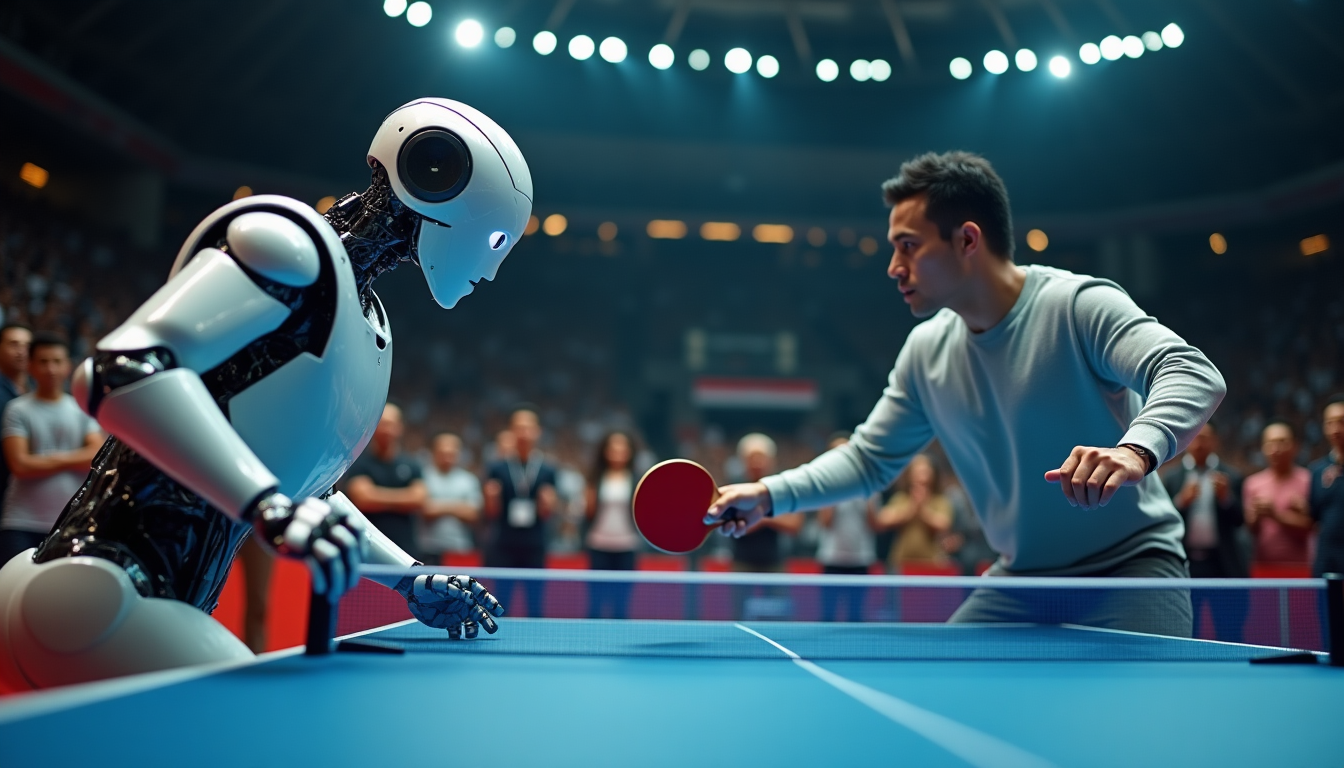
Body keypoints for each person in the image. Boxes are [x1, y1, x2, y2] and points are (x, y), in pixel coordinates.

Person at [706, 151, 1225, 637]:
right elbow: (868, 461)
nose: (893, 266)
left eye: (908, 245)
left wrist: (1135, 450)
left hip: (1130, 571)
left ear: (967, 240)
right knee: (935, 689)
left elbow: (1191, 371)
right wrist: (769, 495)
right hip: (1019, 582)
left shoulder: (1076, 306)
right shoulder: (925, 351)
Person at [0, 333, 103, 565]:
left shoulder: (81, 409)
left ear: (68, 366)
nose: (50, 369)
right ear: (30, 366)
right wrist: (73, 459)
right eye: (43, 362)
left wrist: (47, 460)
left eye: (57, 361)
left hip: (70, 522)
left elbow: (95, 457)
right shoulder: (17, 409)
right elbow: (20, 465)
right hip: (21, 521)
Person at [1160, 423, 1248, 641]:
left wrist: (1226, 499)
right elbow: (1162, 521)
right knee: (1187, 631)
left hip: (1222, 565)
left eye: (1205, 437)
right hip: (1186, 564)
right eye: (1196, 437)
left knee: (1229, 631)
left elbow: (1240, 521)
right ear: (1187, 439)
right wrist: (1181, 502)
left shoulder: (1232, 476)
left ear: (1215, 441)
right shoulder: (1172, 477)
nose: (1200, 442)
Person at [484, 407, 558, 616]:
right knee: (500, 603)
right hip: (504, 544)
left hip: (535, 544)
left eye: (528, 428)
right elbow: (491, 513)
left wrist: (548, 504)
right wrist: (490, 498)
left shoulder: (548, 469)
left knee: (535, 603)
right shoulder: (497, 467)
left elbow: (548, 514)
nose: (523, 433)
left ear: (537, 431)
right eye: (519, 428)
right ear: (511, 431)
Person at [729, 433, 803, 620]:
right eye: (752, 458)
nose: (757, 463)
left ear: (771, 461)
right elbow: (734, 526)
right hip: (742, 563)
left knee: (780, 617)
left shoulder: (782, 489)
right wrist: (771, 515)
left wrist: (760, 517)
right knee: (739, 616)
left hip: (774, 562)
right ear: (743, 461)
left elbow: (794, 524)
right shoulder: (733, 490)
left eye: (761, 457)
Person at [346, 404, 429, 561]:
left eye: (390, 424)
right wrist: (404, 499)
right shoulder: (359, 463)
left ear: (400, 427)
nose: (386, 429)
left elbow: (419, 499)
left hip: (405, 551)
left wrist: (376, 495)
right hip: (367, 549)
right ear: (373, 427)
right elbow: (362, 499)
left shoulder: (412, 464)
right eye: (382, 424)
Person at [815, 433, 880, 622]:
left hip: (860, 559)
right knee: (828, 615)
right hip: (832, 558)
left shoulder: (870, 484)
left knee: (856, 616)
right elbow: (825, 522)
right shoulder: (824, 484)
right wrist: (836, 489)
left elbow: (874, 524)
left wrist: (865, 491)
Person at [1243, 423, 1313, 570]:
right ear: (1263, 448)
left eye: (1282, 442)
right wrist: (1256, 517)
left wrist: (1275, 515)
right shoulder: (1253, 483)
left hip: (1301, 567)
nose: (1276, 449)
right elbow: (1250, 530)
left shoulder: (1308, 481)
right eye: (1270, 443)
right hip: (1262, 566)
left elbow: (1312, 526)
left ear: (1295, 446)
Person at [585, 431, 639, 619]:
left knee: (621, 605)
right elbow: (588, 513)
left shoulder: (636, 479)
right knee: (596, 602)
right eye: (613, 447)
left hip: (626, 546)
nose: (618, 451)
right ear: (605, 451)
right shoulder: (596, 479)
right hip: (599, 545)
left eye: (622, 447)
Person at [877, 453, 953, 572]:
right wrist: (911, 509)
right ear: (909, 474)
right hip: (901, 562)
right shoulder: (901, 498)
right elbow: (883, 519)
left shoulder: (939, 500)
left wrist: (922, 511)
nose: (921, 473)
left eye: (925, 470)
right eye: (917, 469)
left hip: (931, 562)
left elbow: (944, 524)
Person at [415, 433, 482, 566]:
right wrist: (458, 507)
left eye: (451, 453)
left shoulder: (469, 480)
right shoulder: (422, 477)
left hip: (460, 548)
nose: (447, 457)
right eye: (443, 453)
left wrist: (438, 507)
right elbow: (424, 510)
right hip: (428, 548)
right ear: (433, 452)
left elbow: (473, 514)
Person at [1308, 396, 1344, 577]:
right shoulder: (1317, 471)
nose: (1336, 429)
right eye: (1330, 423)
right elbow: (1313, 517)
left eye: (1341, 422)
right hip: (1327, 560)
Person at [0, 323, 32, 511]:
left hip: (24, 492)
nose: (21, 351)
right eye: (14, 344)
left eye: (27, 345)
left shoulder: (36, 389)